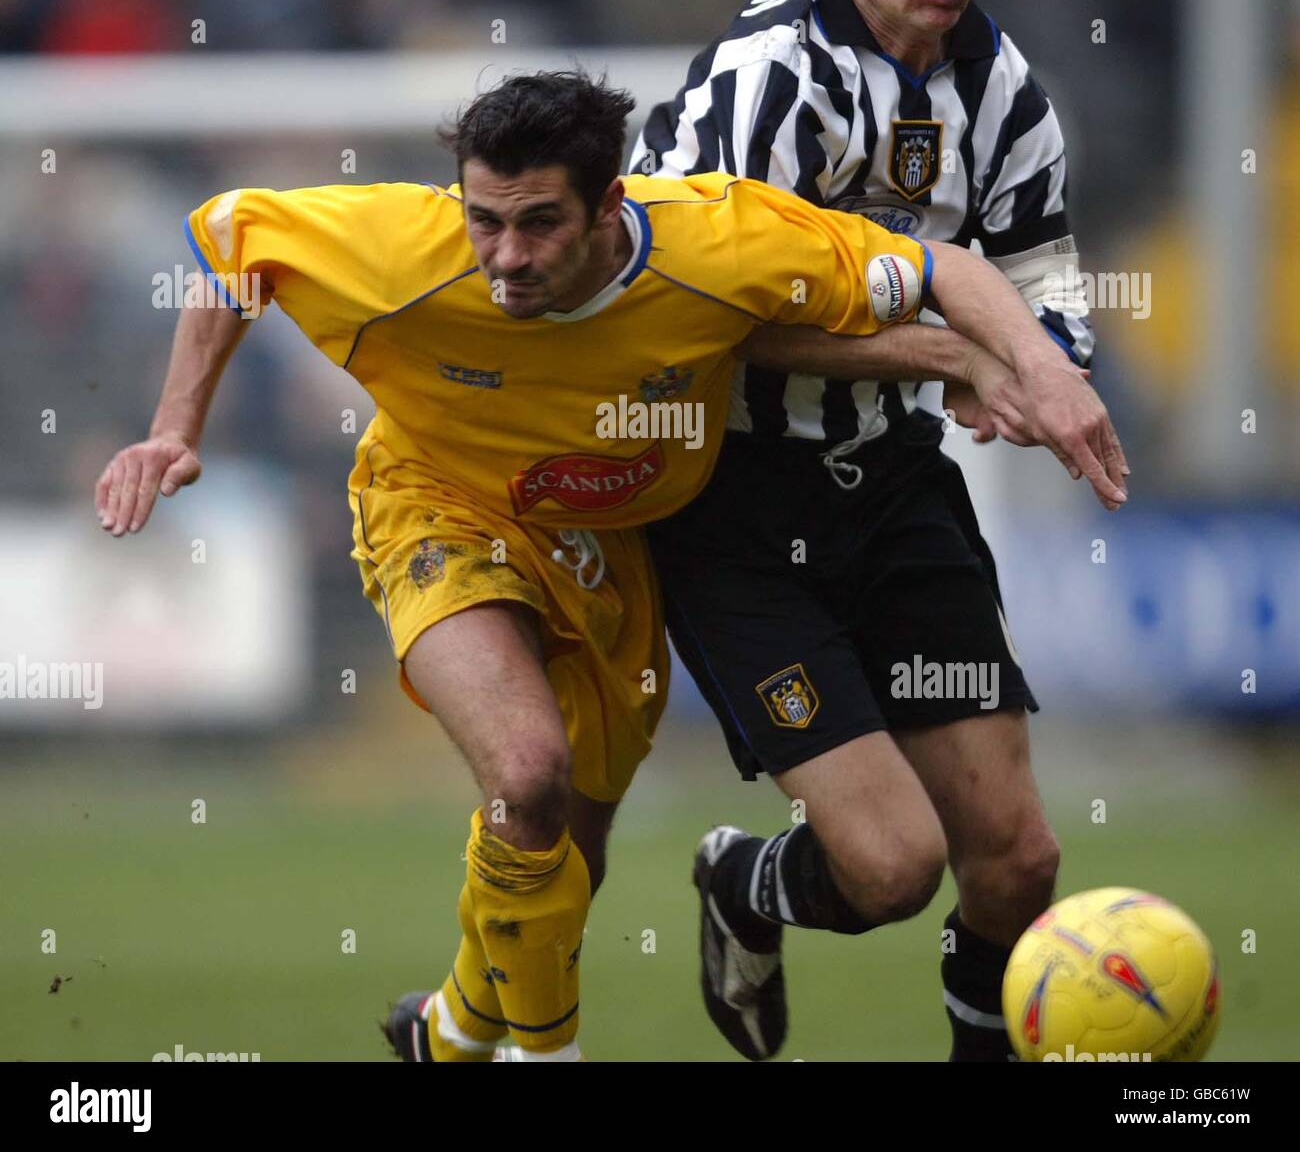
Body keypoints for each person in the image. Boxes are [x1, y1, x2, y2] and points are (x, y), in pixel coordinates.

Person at [95, 71, 1123, 1062]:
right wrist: (173, 429)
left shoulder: (719, 240)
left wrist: (1004, 361)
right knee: (526, 774)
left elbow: (938, 270)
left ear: (608, 207)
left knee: (566, 846)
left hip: (608, 548)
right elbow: (233, 235)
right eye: (483, 218)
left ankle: (456, 1033)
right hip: (437, 506)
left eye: (537, 222)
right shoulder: (400, 245)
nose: (503, 255)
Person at [632, 0, 1120, 1060]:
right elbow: (702, 319)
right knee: (895, 868)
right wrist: (956, 354)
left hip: (896, 487)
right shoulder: (765, 80)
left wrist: (1044, 369)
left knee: (1016, 859)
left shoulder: (1005, 92)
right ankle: (747, 881)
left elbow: (1044, 278)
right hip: (736, 502)